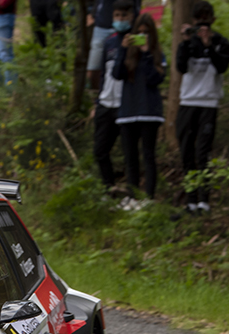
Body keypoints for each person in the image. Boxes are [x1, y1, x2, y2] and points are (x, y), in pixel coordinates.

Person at [175, 0, 229, 213]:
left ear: (213, 20)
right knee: (187, 151)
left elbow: (222, 66)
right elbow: (181, 67)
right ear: (193, 21)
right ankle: (190, 199)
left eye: (206, 20)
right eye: (199, 20)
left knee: (203, 151)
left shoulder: (221, 43)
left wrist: (208, 46)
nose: (203, 25)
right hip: (187, 101)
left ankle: (204, 200)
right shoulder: (188, 42)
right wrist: (187, 41)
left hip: (208, 102)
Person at [112, 12, 165, 203]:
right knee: (130, 157)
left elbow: (155, 79)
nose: (143, 35)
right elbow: (117, 74)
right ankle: (132, 197)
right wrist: (123, 50)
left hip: (150, 112)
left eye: (146, 32)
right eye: (139, 32)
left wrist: (147, 53)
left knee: (148, 156)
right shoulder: (128, 55)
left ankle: (148, 198)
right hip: (128, 112)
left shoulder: (157, 55)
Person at [92, 0, 133, 191]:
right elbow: (102, 75)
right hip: (105, 103)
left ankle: (133, 191)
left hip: (125, 105)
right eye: (117, 16)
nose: (120, 19)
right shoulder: (109, 42)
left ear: (131, 16)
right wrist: (97, 101)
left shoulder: (136, 41)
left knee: (129, 150)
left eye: (124, 16)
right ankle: (110, 187)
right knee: (100, 150)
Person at [86, 0, 138, 90]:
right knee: (95, 66)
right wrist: (93, 14)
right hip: (102, 25)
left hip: (126, 27)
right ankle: (97, 93)